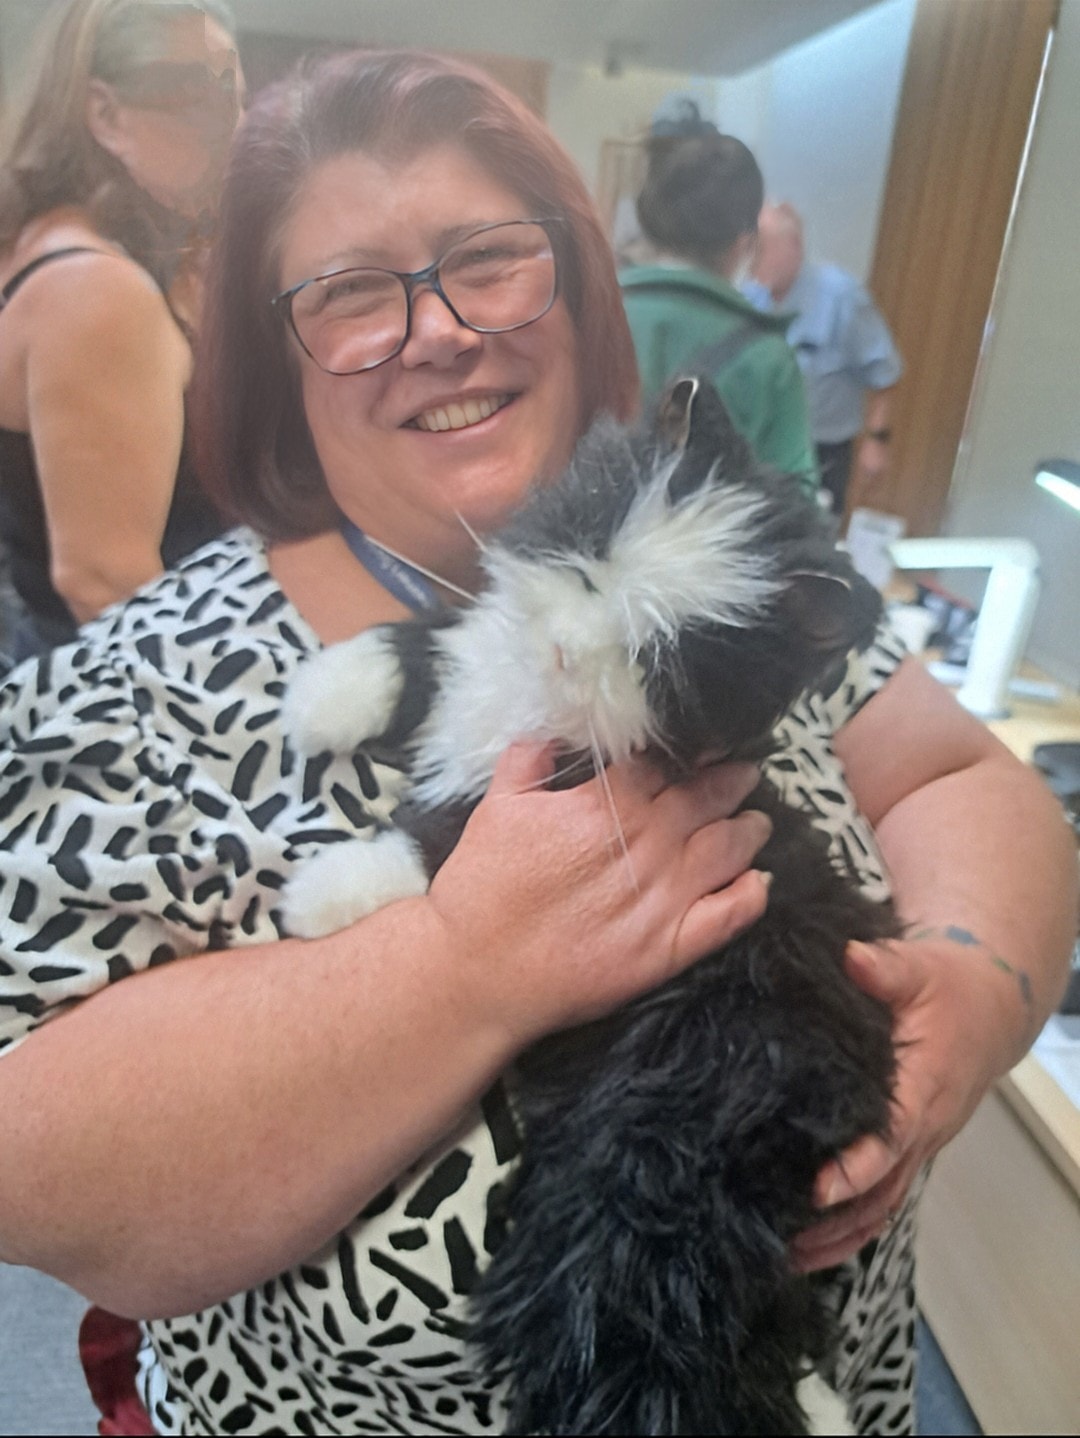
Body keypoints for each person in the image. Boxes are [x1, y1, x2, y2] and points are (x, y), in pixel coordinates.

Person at [0, 48, 1074, 1438]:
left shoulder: (717, 558)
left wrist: (978, 992)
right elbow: (32, 1155)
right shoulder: (134, 678)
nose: (438, 328)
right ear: (276, 356)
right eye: (351, 291)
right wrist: (459, 967)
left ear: (572, 282)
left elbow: (956, 771)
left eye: (487, 259)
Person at [0, 0, 244, 659]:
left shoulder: (59, 247)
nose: (233, 128)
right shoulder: (97, 289)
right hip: (122, 710)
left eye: (238, 100)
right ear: (105, 114)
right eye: (201, 98)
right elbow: (104, 582)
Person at [619, 114, 819, 493]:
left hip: (572, 544)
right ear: (744, 242)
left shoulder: (584, 314)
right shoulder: (767, 359)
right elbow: (796, 502)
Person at [746, 200, 903, 516]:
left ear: (794, 246)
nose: (753, 259)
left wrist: (877, 441)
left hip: (822, 452)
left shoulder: (841, 297)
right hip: (760, 449)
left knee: (810, 544)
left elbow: (885, 376)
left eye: (762, 248)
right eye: (750, 247)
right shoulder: (750, 296)